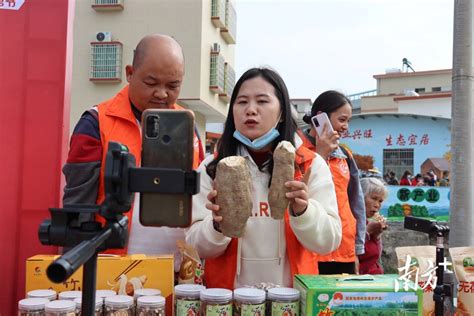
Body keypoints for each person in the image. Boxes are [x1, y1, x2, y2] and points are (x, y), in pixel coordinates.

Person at [185, 68, 341, 289]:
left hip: (289, 302)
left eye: (262, 101)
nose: (250, 110)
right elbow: (194, 247)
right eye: (241, 102)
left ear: (283, 112)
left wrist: (304, 211)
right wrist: (217, 226)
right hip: (229, 303)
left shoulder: (309, 165)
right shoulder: (212, 168)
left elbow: (329, 242)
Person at [62, 34, 204, 257]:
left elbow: (200, 199)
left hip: (179, 271)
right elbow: (76, 208)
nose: (162, 93)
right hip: (112, 272)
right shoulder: (95, 123)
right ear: (130, 73)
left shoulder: (189, 127)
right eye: (151, 83)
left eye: (173, 85)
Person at [300, 90, 366, 275]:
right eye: (342, 120)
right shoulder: (296, 149)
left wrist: (357, 249)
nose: (346, 127)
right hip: (310, 248)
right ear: (321, 118)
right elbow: (296, 191)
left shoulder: (345, 155)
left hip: (343, 250)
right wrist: (320, 155)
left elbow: (356, 203)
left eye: (348, 121)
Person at [358, 177, 388, 275]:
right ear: (360, 197)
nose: (377, 205)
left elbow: (376, 256)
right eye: (374, 199)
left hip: (374, 277)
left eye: (380, 201)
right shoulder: (350, 221)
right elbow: (350, 253)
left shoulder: (366, 222)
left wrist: (377, 236)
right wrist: (367, 231)